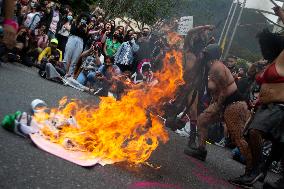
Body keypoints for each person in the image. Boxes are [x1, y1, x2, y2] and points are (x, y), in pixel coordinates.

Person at [183, 44, 252, 175]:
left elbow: (224, 91)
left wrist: (217, 106)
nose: (202, 55)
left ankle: (252, 169)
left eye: (205, 53)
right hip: (224, 103)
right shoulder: (211, 67)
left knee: (237, 138)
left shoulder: (216, 67)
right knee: (202, 120)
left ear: (210, 55)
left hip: (234, 104)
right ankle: (201, 150)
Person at [229, 29, 284, 189]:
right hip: (265, 106)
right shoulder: (270, 63)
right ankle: (256, 172)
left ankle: (257, 171)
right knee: (267, 140)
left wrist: (282, 15)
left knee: (256, 132)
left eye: (265, 48)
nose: (263, 51)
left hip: (279, 106)